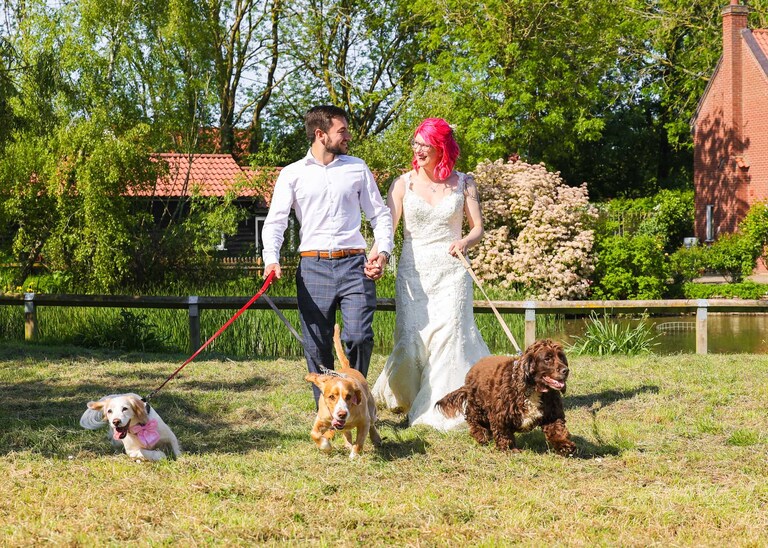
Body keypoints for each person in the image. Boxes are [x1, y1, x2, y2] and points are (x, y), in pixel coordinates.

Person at [261, 105, 394, 404]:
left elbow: (380, 216)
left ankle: (356, 401)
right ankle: (326, 406)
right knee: (317, 344)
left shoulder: (357, 168)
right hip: (313, 267)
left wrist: (382, 252)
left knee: (358, 336)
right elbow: (276, 221)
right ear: (321, 134)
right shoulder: (292, 174)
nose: (348, 136)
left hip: (354, 265)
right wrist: (272, 258)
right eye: (342, 131)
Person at [371, 118, 490, 430]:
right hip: (414, 272)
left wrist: (464, 241)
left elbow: (478, 227)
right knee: (413, 343)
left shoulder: (465, 182)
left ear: (442, 147)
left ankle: (446, 407)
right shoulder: (402, 184)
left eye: (425, 143)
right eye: (416, 142)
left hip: (453, 271)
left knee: (450, 337)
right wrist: (377, 256)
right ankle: (406, 394)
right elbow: (387, 230)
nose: (418, 148)